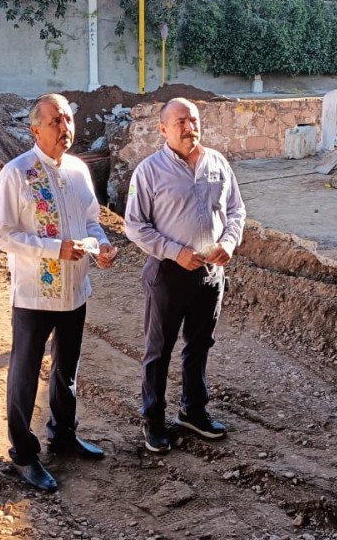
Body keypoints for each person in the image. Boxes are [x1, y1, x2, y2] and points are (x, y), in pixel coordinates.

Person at [0, 93, 118, 491]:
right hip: (34, 295)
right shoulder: (17, 172)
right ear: (35, 129)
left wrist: (102, 246)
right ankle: (24, 455)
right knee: (25, 375)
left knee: (67, 369)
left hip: (75, 290)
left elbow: (92, 222)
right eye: (55, 121)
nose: (65, 128)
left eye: (68, 120)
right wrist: (53, 248)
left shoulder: (79, 170)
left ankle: (63, 434)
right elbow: (0, 234)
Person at [124, 97, 246, 453]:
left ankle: (193, 411)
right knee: (158, 351)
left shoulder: (217, 163)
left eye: (192, 119)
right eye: (179, 121)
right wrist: (175, 251)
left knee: (199, 345)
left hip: (211, 274)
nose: (188, 126)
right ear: (163, 129)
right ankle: (154, 420)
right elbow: (135, 226)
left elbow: (236, 210)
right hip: (168, 274)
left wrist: (230, 241)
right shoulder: (148, 171)